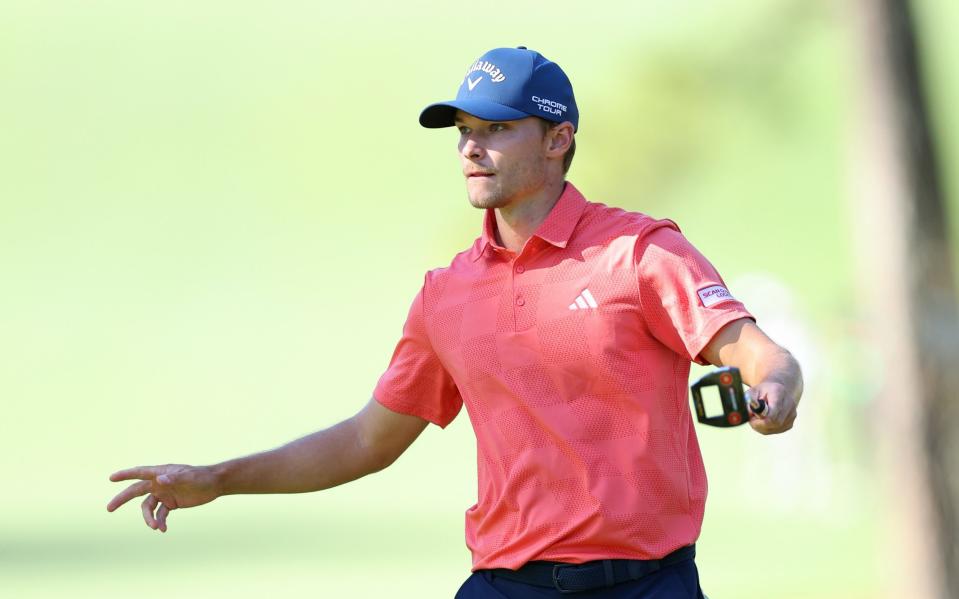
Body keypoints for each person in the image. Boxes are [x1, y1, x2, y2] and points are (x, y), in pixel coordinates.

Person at [107, 47, 802, 598]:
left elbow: (762, 356)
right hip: (505, 585)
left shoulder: (639, 253)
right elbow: (364, 439)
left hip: (648, 584)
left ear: (559, 138)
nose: (471, 147)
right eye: (465, 132)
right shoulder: (447, 293)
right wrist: (220, 477)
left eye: (496, 128)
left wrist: (773, 396)